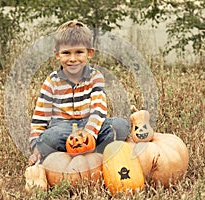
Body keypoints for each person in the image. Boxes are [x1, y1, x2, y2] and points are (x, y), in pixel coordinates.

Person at [28, 20, 130, 165]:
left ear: (89, 53)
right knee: (48, 139)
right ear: (57, 54)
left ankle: (94, 153)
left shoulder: (95, 77)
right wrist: (36, 148)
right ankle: (67, 155)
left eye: (79, 52)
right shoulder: (51, 82)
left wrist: (88, 134)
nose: (72, 59)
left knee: (120, 126)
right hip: (63, 128)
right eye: (66, 53)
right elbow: (39, 120)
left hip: (91, 125)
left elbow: (98, 110)